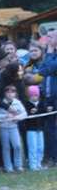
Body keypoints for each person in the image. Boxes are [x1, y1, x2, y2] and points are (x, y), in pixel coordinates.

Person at [0, 85, 26, 172]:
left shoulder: (17, 103)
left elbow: (24, 113)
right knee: (6, 147)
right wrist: (4, 116)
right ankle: (8, 167)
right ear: (4, 94)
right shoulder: (0, 103)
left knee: (17, 146)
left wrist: (17, 118)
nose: (10, 94)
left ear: (15, 93)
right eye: (8, 92)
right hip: (2, 127)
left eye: (12, 92)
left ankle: (18, 165)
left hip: (14, 127)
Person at [38, 29, 57, 167]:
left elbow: (51, 67)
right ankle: (53, 157)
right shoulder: (51, 54)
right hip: (48, 97)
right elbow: (42, 70)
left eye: (50, 37)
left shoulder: (51, 54)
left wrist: (49, 54)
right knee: (49, 129)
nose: (47, 40)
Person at [22, 85, 47, 171]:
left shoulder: (41, 104)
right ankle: (32, 164)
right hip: (31, 130)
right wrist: (30, 113)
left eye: (35, 95)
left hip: (40, 129)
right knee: (33, 147)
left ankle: (38, 163)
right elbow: (25, 117)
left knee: (40, 147)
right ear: (29, 95)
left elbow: (44, 117)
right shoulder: (26, 105)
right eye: (31, 95)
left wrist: (48, 111)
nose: (33, 97)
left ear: (38, 95)